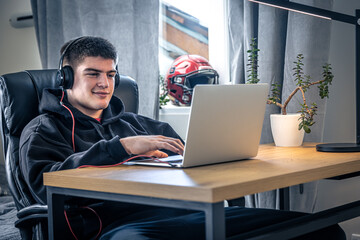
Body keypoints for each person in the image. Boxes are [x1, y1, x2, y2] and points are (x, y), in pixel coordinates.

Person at [19, 36, 345, 240]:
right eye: (93, 73)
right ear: (65, 77)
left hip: (190, 215)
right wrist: (120, 148)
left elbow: (194, 163)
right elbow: (44, 185)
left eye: (111, 74)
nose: (105, 83)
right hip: (117, 228)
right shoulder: (42, 129)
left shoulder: (142, 125)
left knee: (323, 230)